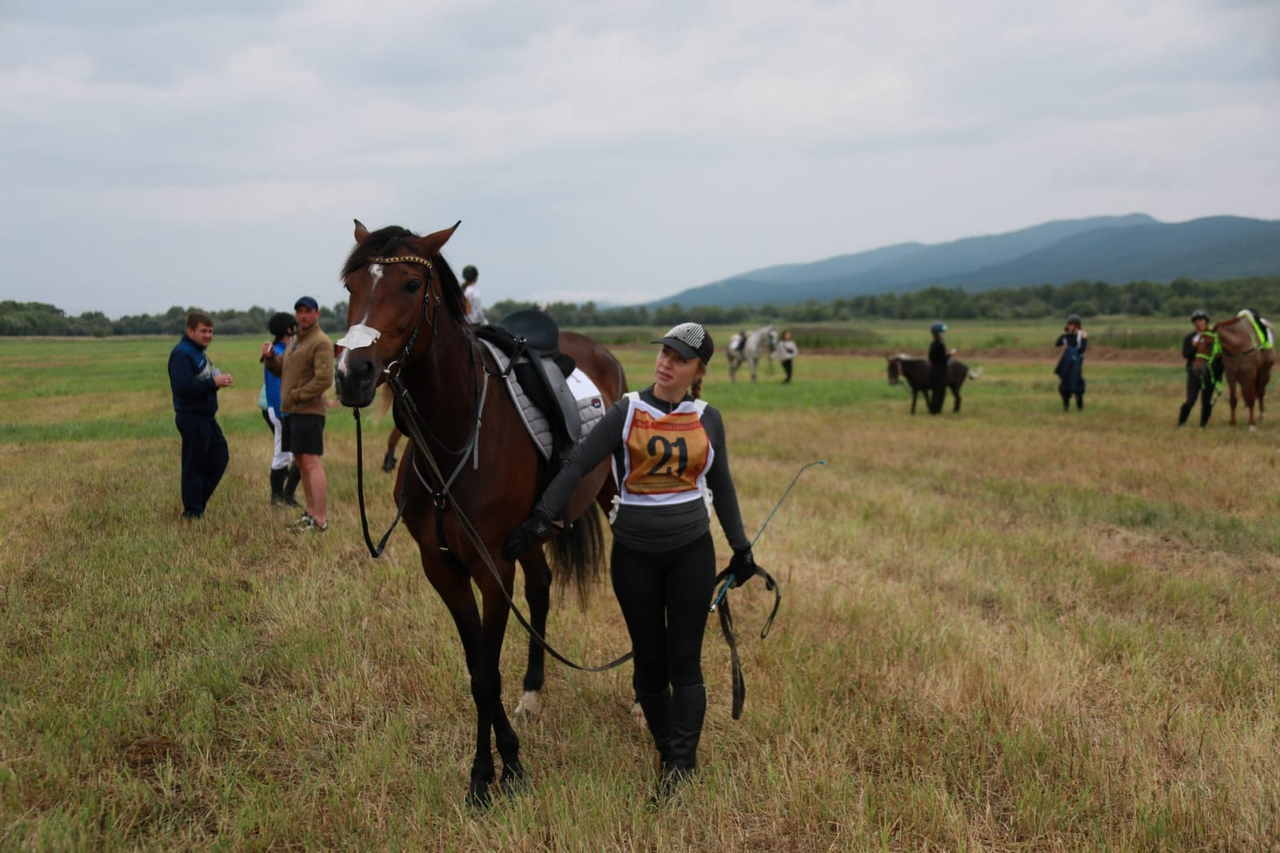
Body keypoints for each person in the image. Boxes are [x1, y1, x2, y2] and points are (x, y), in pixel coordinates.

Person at [501, 322, 760, 802]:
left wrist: (741, 548)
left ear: (697, 370)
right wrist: (540, 519)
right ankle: (667, 749)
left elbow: (721, 486)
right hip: (635, 557)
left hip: (691, 555)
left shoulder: (709, 419)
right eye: (663, 352)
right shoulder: (626, 410)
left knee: (685, 662)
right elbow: (578, 465)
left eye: (678, 358)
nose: (665, 362)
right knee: (649, 665)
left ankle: (680, 766)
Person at [262, 296, 335, 533]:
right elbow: (280, 367)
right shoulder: (294, 340)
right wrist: (271, 357)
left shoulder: (321, 341)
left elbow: (324, 378)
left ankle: (320, 519)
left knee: (311, 463)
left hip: (309, 411)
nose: (302, 315)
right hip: (291, 412)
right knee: (302, 463)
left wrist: (296, 395)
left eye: (307, 311)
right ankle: (310, 513)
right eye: (299, 311)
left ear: (317, 314)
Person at [168, 311, 233, 519]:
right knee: (194, 466)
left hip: (206, 418)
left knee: (219, 456)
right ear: (190, 331)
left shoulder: (198, 351)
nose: (208, 335)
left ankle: (196, 504)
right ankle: (192, 512)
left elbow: (198, 382)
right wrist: (213, 383)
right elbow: (182, 387)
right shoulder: (182, 353)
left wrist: (215, 383)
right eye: (203, 331)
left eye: (211, 331)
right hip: (192, 417)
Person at [260, 312, 302, 504]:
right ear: (288, 329)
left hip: (283, 411)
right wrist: (283, 414)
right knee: (287, 455)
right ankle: (282, 496)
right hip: (282, 412)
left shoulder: (283, 349)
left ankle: (282, 496)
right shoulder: (277, 353)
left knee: (288, 454)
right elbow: (275, 388)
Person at [1177, 310, 1219, 428]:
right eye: (1197, 321)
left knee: (1207, 401)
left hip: (1209, 372)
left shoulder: (1213, 337)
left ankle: (1203, 425)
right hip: (1194, 372)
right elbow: (1186, 354)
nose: (1199, 323)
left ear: (1206, 322)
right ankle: (1181, 423)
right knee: (1191, 399)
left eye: (1202, 320)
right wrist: (1195, 347)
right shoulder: (1189, 338)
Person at [1054, 314, 1088, 411]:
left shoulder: (1082, 335)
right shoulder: (1067, 336)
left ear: (1077, 325)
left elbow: (1082, 349)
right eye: (1069, 324)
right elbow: (1057, 344)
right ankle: (1066, 406)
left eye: (1071, 324)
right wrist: (1064, 334)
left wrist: (1073, 353)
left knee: (1076, 385)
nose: (1069, 326)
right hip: (1067, 363)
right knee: (1064, 386)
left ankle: (1079, 407)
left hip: (1076, 364)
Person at [927, 322, 950, 415]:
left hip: (933, 370)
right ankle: (936, 411)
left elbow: (931, 358)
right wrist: (950, 354)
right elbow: (943, 359)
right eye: (942, 332)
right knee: (940, 392)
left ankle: (933, 409)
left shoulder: (932, 344)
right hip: (941, 371)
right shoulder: (941, 345)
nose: (944, 334)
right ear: (938, 333)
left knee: (935, 392)